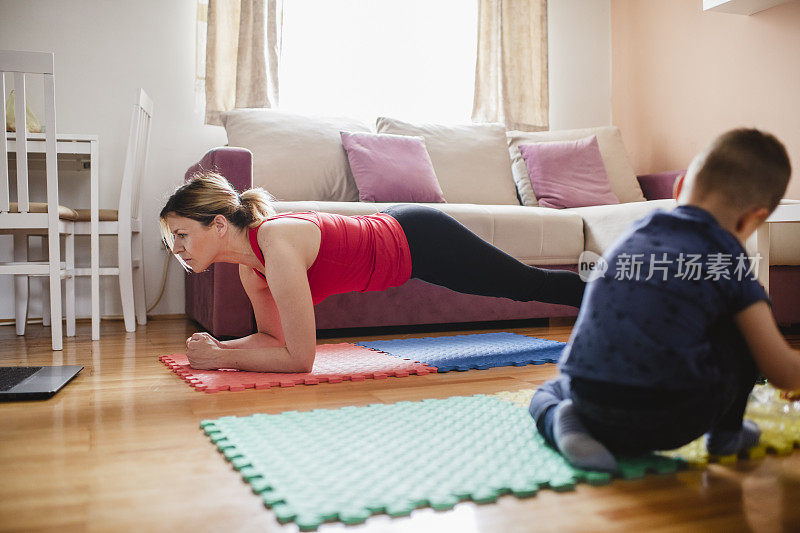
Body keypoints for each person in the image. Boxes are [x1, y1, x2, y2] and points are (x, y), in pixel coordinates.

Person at [528, 128, 800, 472]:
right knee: (742, 323)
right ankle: (726, 434)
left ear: (678, 188)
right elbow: (780, 370)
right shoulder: (728, 260)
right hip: (675, 419)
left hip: (590, 399)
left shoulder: (635, 234)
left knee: (547, 391)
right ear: (754, 219)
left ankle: (560, 419)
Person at [159, 174, 585, 373]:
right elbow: (274, 340)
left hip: (419, 237)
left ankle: (619, 291)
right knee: (525, 286)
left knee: (526, 286)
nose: (177, 249)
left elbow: (299, 359)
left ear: (217, 224)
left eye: (181, 234)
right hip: (399, 236)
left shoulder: (276, 244)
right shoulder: (252, 272)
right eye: (172, 240)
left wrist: (222, 358)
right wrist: (222, 347)